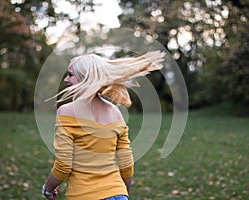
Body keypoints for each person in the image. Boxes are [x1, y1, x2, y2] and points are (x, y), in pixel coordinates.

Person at [42, 51, 165, 200]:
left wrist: (48, 189)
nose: (66, 80)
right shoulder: (116, 113)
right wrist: (122, 191)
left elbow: (63, 164)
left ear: (85, 78)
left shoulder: (66, 111)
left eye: (70, 75)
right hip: (117, 193)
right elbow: (126, 162)